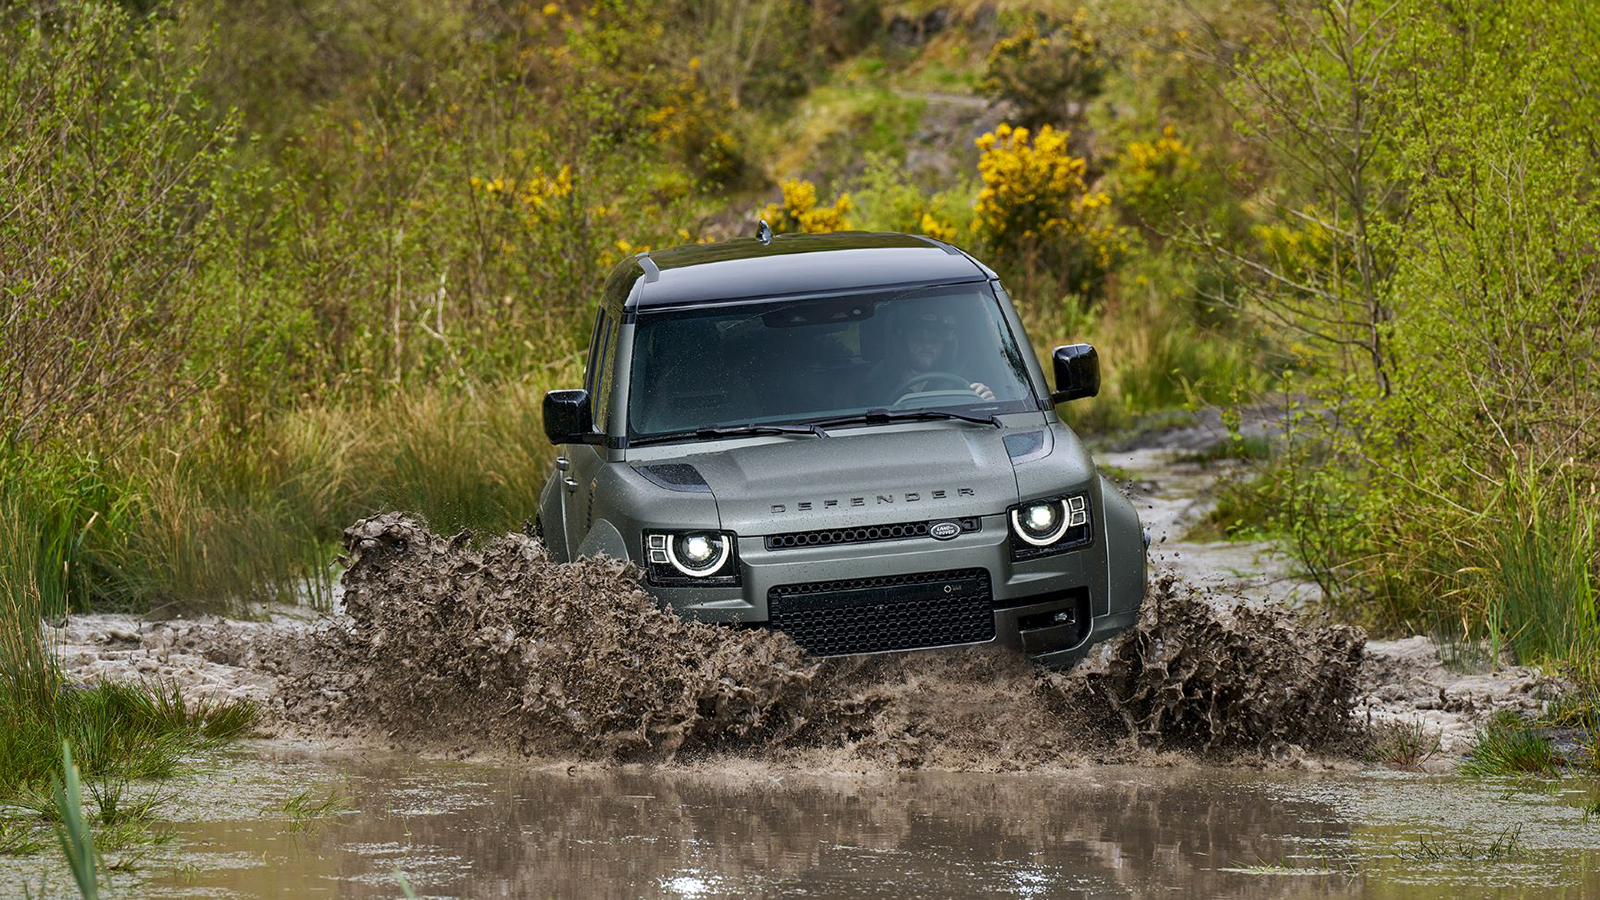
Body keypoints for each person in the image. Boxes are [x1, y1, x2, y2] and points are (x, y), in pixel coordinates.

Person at [878, 305, 995, 405]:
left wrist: (986, 401)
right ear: (905, 340)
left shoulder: (965, 384)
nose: (927, 344)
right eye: (918, 335)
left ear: (945, 343)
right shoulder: (880, 382)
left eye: (935, 337)